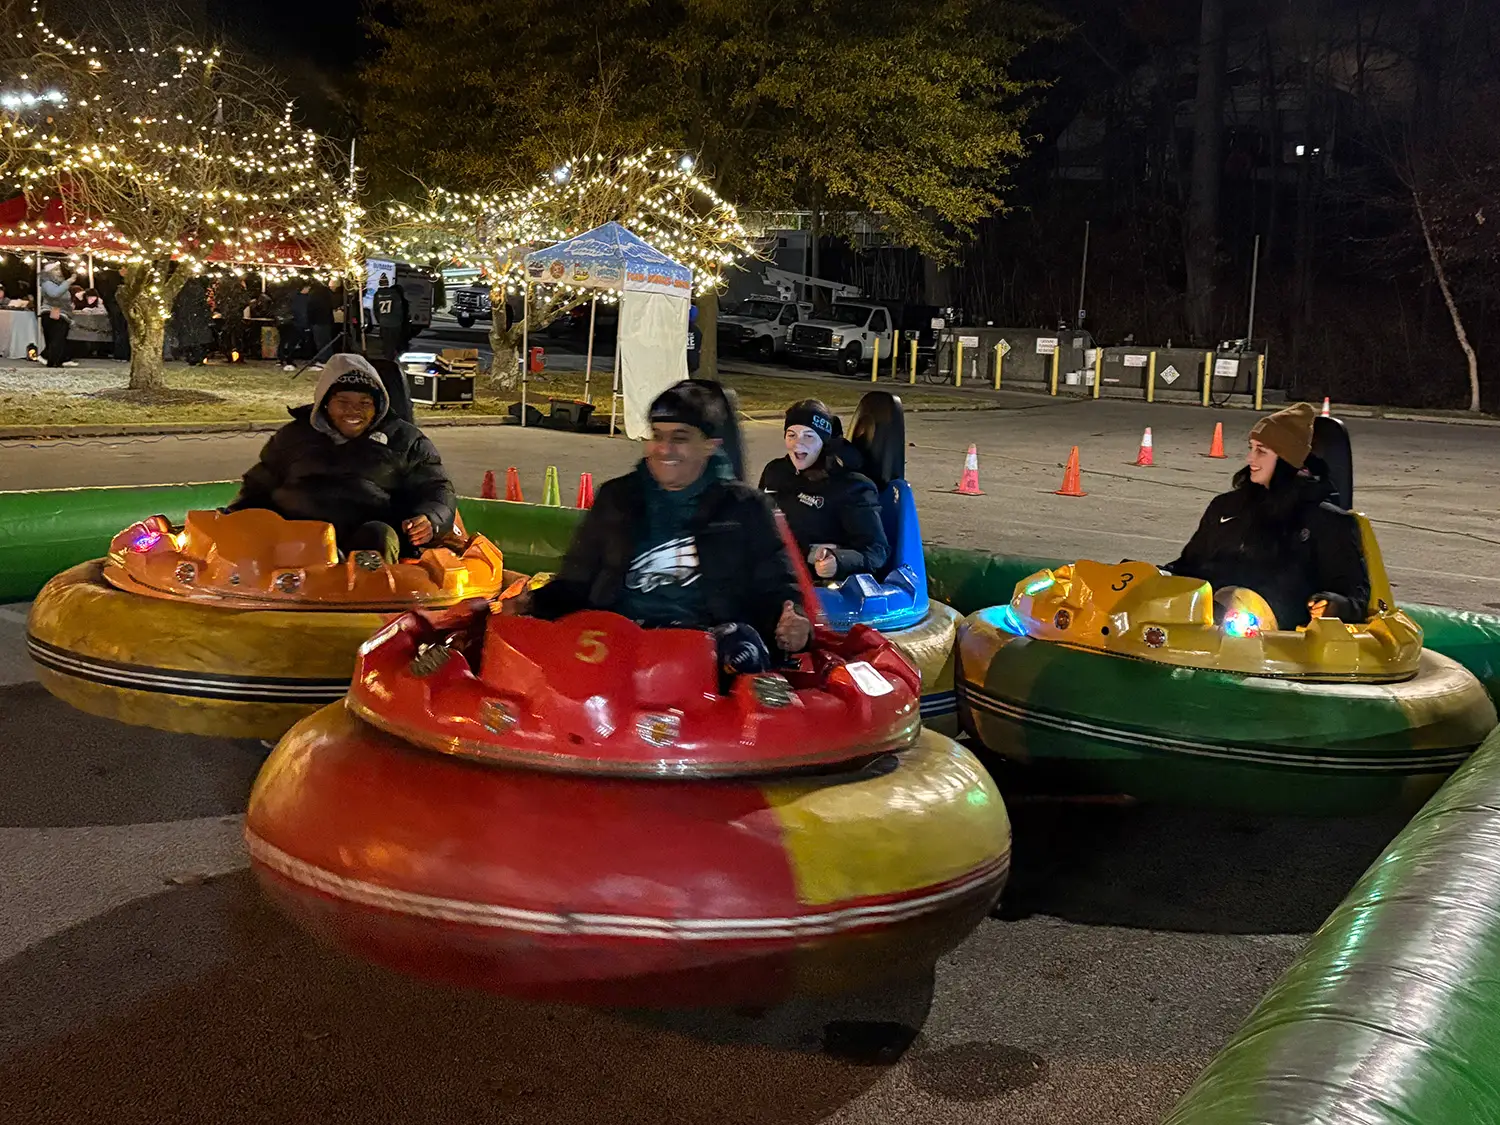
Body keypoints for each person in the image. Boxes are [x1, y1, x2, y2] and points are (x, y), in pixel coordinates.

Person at [515, 380, 813, 677]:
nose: (664, 448)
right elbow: (575, 581)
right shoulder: (618, 498)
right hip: (617, 645)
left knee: (742, 646)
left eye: (680, 438)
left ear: (709, 445)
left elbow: (777, 589)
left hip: (706, 651)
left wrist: (793, 623)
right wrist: (532, 604)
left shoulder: (745, 508)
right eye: (657, 435)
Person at [227, 353, 456, 564]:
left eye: (364, 403)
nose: (353, 411)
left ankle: (366, 591)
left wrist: (431, 519)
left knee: (379, 534)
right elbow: (258, 486)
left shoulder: (405, 440)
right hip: (296, 538)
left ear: (378, 407)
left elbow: (436, 487)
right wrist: (230, 518)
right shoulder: (293, 437)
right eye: (343, 402)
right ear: (326, 403)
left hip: (369, 542)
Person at [1165, 402, 1370, 630]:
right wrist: (1159, 575)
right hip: (1208, 621)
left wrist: (1334, 605)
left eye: (1261, 451)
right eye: (1251, 448)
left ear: (1286, 459)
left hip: (1278, 640)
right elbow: (1189, 566)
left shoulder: (1327, 521)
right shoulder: (1225, 507)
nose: (1250, 459)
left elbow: (1356, 598)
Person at [758, 399, 889, 581]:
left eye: (808, 436)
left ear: (824, 441)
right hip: (774, 575)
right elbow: (759, 523)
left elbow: (876, 551)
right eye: (791, 435)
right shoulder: (775, 472)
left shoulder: (853, 487)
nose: (797, 444)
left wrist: (838, 561)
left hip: (820, 586)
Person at [38, 262, 79, 368]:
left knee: (59, 339)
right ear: (49, 272)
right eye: (56, 270)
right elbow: (54, 294)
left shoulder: (60, 284)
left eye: (59, 269)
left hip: (62, 313)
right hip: (52, 312)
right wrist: (68, 281)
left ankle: (56, 360)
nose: (59, 272)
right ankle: (51, 359)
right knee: (56, 338)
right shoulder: (47, 283)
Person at [172, 276, 214, 365]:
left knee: (190, 339)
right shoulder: (199, 291)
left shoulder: (183, 291)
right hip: (197, 319)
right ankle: (199, 357)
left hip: (187, 319)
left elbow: (178, 304)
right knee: (198, 340)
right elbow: (203, 307)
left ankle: (192, 357)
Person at [372, 273, 411, 361]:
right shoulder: (394, 294)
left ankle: (387, 356)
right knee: (394, 340)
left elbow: (376, 309)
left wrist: (379, 320)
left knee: (386, 340)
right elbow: (398, 308)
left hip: (383, 321)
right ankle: (393, 357)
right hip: (395, 321)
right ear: (387, 283)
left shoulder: (377, 295)